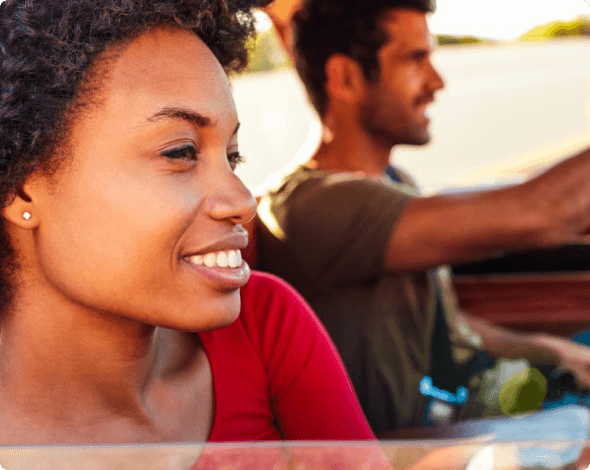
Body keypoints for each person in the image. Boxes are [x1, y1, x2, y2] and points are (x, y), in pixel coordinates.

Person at [0, 0, 380, 447]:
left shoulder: (265, 325)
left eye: (232, 156)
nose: (242, 201)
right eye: (180, 152)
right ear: (23, 187)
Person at [257, 0, 590, 434]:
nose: (437, 82)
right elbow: (541, 213)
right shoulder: (310, 205)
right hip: (424, 443)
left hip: (465, 407)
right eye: (416, 59)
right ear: (346, 77)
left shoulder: (395, 181)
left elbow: (446, 327)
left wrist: (550, 349)